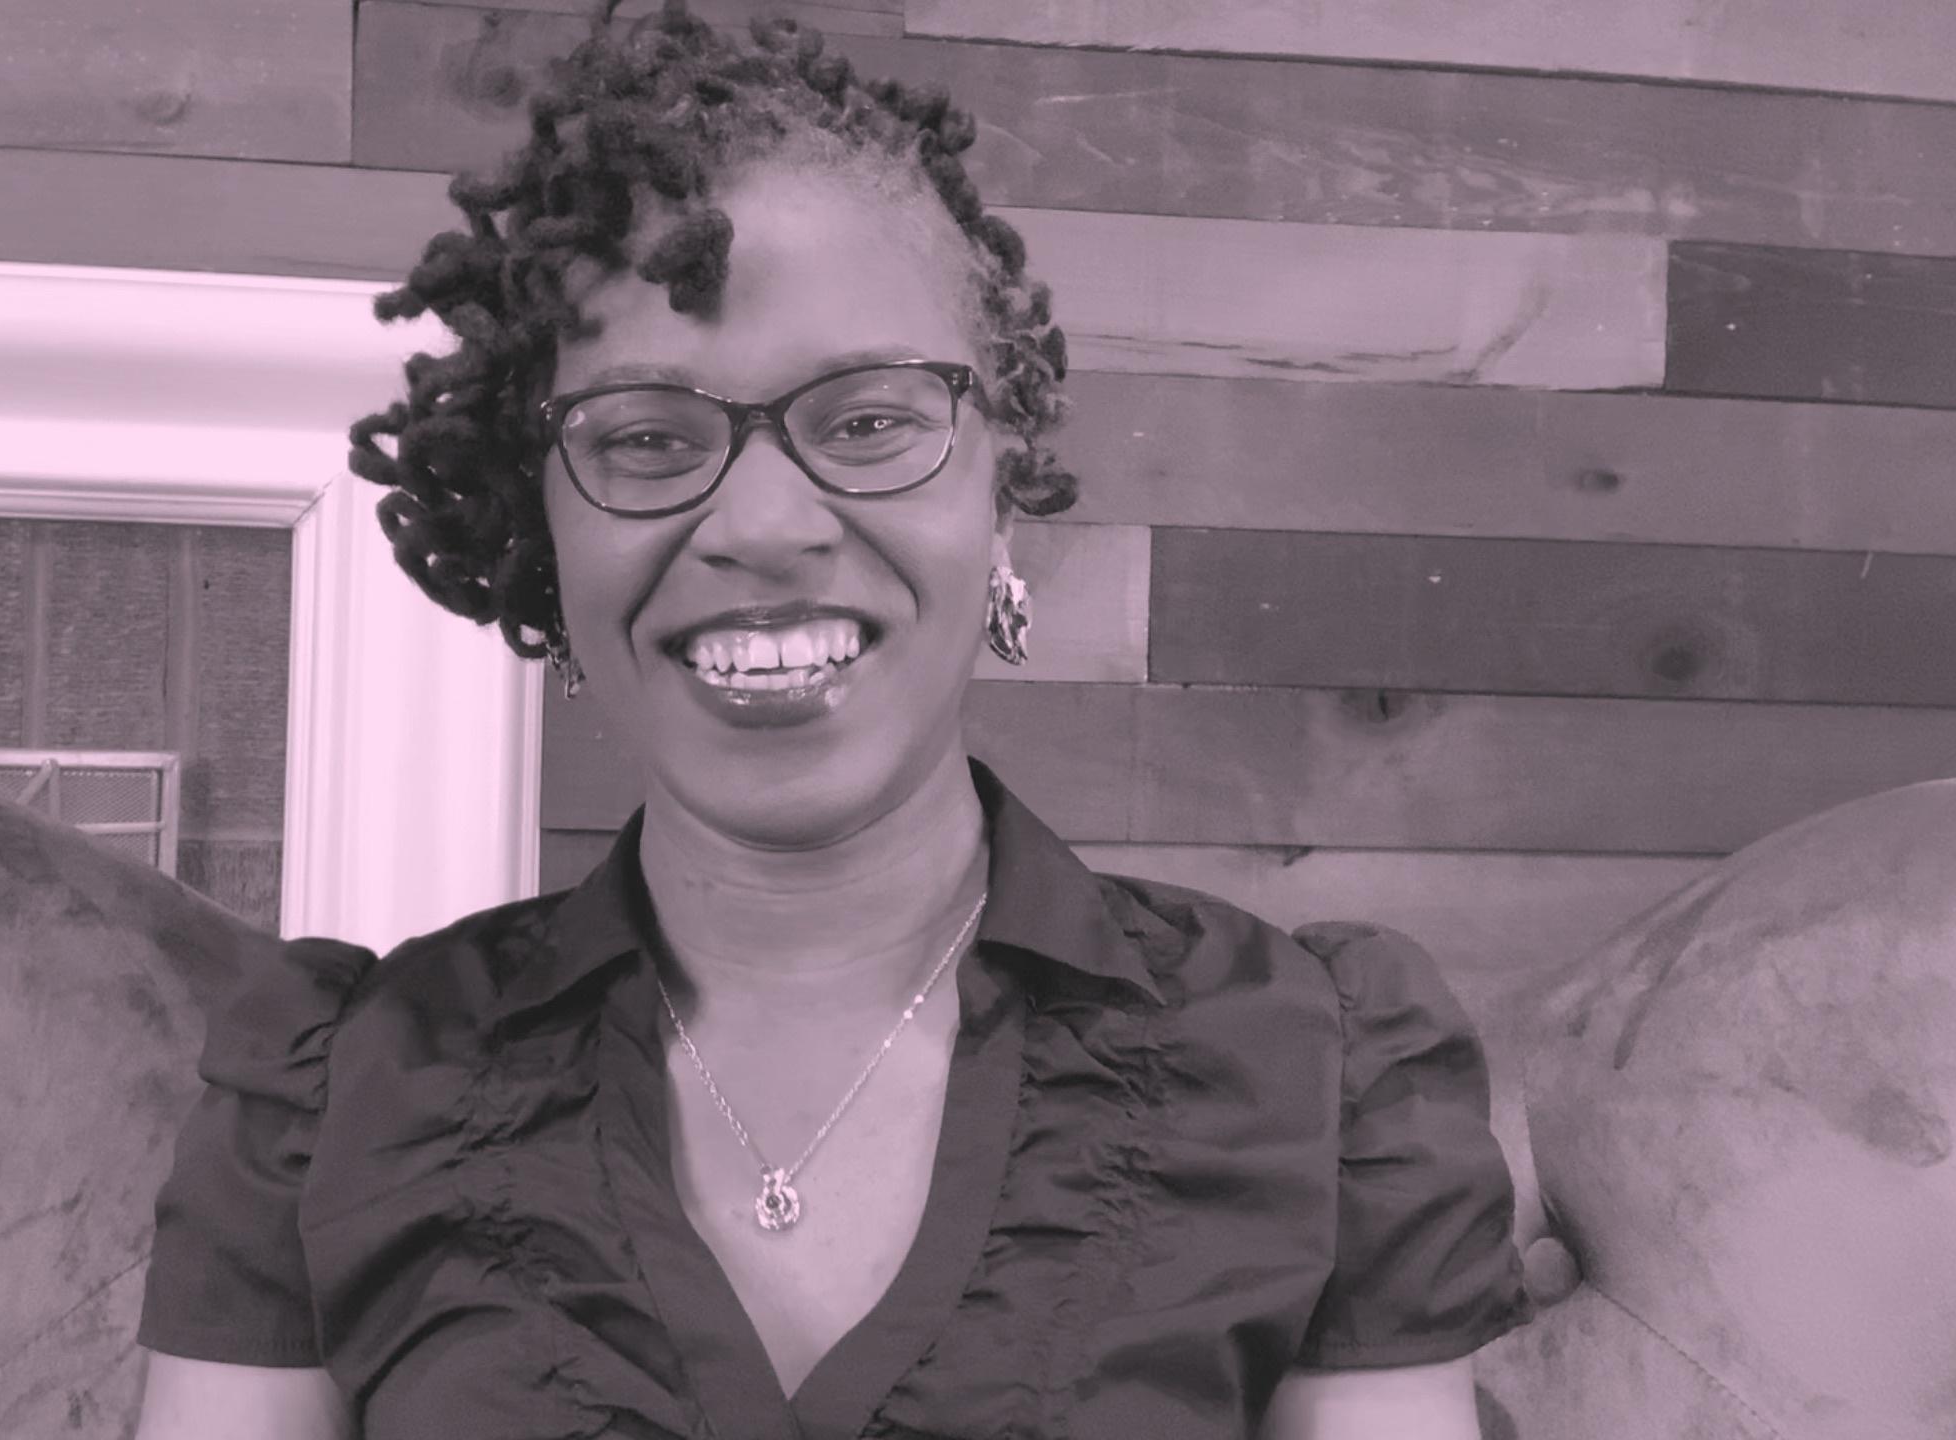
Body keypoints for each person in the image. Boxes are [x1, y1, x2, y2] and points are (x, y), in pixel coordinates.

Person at [131, 3, 1526, 1435]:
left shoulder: (1322, 1075)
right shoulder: (325, 1097)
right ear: (544, 535)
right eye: (647, 440)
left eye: (866, 420)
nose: (764, 525)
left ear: (1002, 493)